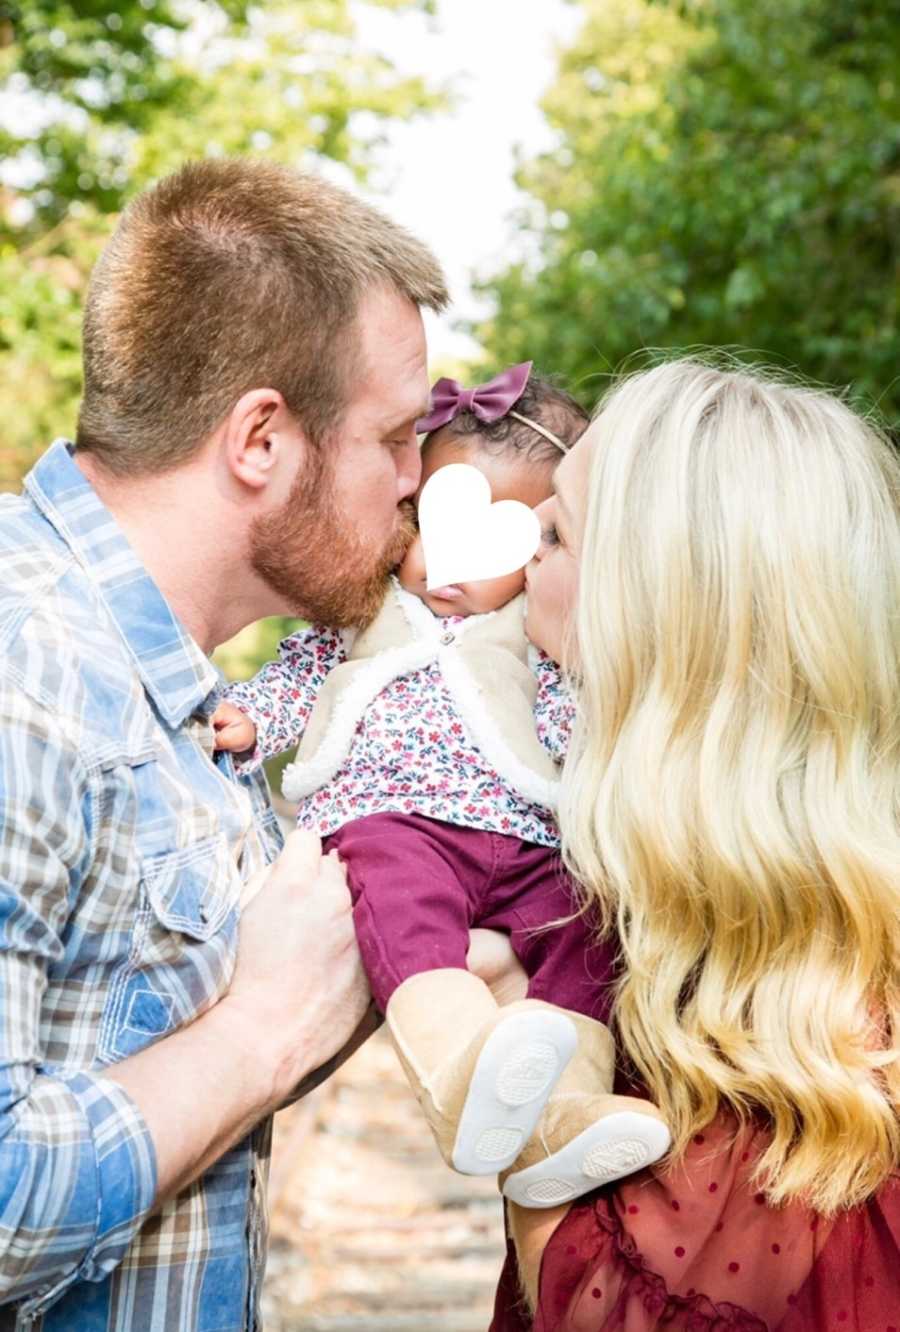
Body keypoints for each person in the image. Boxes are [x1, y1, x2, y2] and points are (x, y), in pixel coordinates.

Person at [0, 156, 458, 1331]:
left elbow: (200, 1029)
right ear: (261, 437)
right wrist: (257, 1038)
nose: (416, 485)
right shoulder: (29, 676)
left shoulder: (184, 696)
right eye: (397, 438)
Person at [492, 358, 900, 1330]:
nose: (515, 573)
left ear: (660, 625)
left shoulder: (748, 1012)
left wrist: (531, 1146)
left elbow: (627, 1308)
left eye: (554, 535)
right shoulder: (770, 927)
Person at [213, 361, 670, 1207]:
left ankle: (568, 1114)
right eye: (436, 528)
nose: (451, 568)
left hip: (526, 837)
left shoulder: (539, 632)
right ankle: (460, 1073)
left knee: (583, 933)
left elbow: (577, 722)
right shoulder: (366, 607)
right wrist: (251, 717)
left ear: (538, 551)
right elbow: (300, 671)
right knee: (403, 911)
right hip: (395, 821)